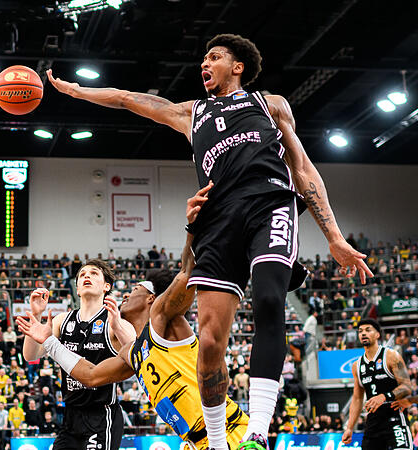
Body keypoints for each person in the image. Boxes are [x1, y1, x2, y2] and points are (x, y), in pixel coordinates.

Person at [46, 33, 372, 450]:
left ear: (237, 67)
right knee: (212, 337)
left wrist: (334, 236)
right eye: (203, 58)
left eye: (214, 57)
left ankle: (256, 431)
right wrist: (76, 92)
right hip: (217, 220)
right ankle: (218, 445)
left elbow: (304, 169)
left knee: (271, 301)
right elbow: (128, 98)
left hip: (268, 203)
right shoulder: (190, 113)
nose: (205, 63)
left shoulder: (270, 106)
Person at [18, 211, 249, 450]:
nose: (127, 293)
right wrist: (48, 340)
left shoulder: (163, 318)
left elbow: (186, 273)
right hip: (195, 441)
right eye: (82, 274)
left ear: (151, 298)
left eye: (136, 287)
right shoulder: (132, 352)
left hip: (228, 432)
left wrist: (193, 229)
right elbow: (91, 375)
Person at [21, 258, 136, 450]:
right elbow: (30, 356)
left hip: (101, 415)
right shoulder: (62, 320)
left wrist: (118, 326)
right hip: (71, 417)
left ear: (106, 286)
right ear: (77, 288)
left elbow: (137, 354)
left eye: (93, 273)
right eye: (82, 274)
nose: (86, 276)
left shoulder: (115, 322)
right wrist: (37, 315)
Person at [342, 319, 413, 450]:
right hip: (373, 421)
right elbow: (357, 399)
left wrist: (384, 396)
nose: (363, 333)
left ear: (377, 335)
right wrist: (349, 428)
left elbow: (407, 387)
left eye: (368, 330)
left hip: (394, 416)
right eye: (360, 331)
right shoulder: (357, 366)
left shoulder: (391, 356)